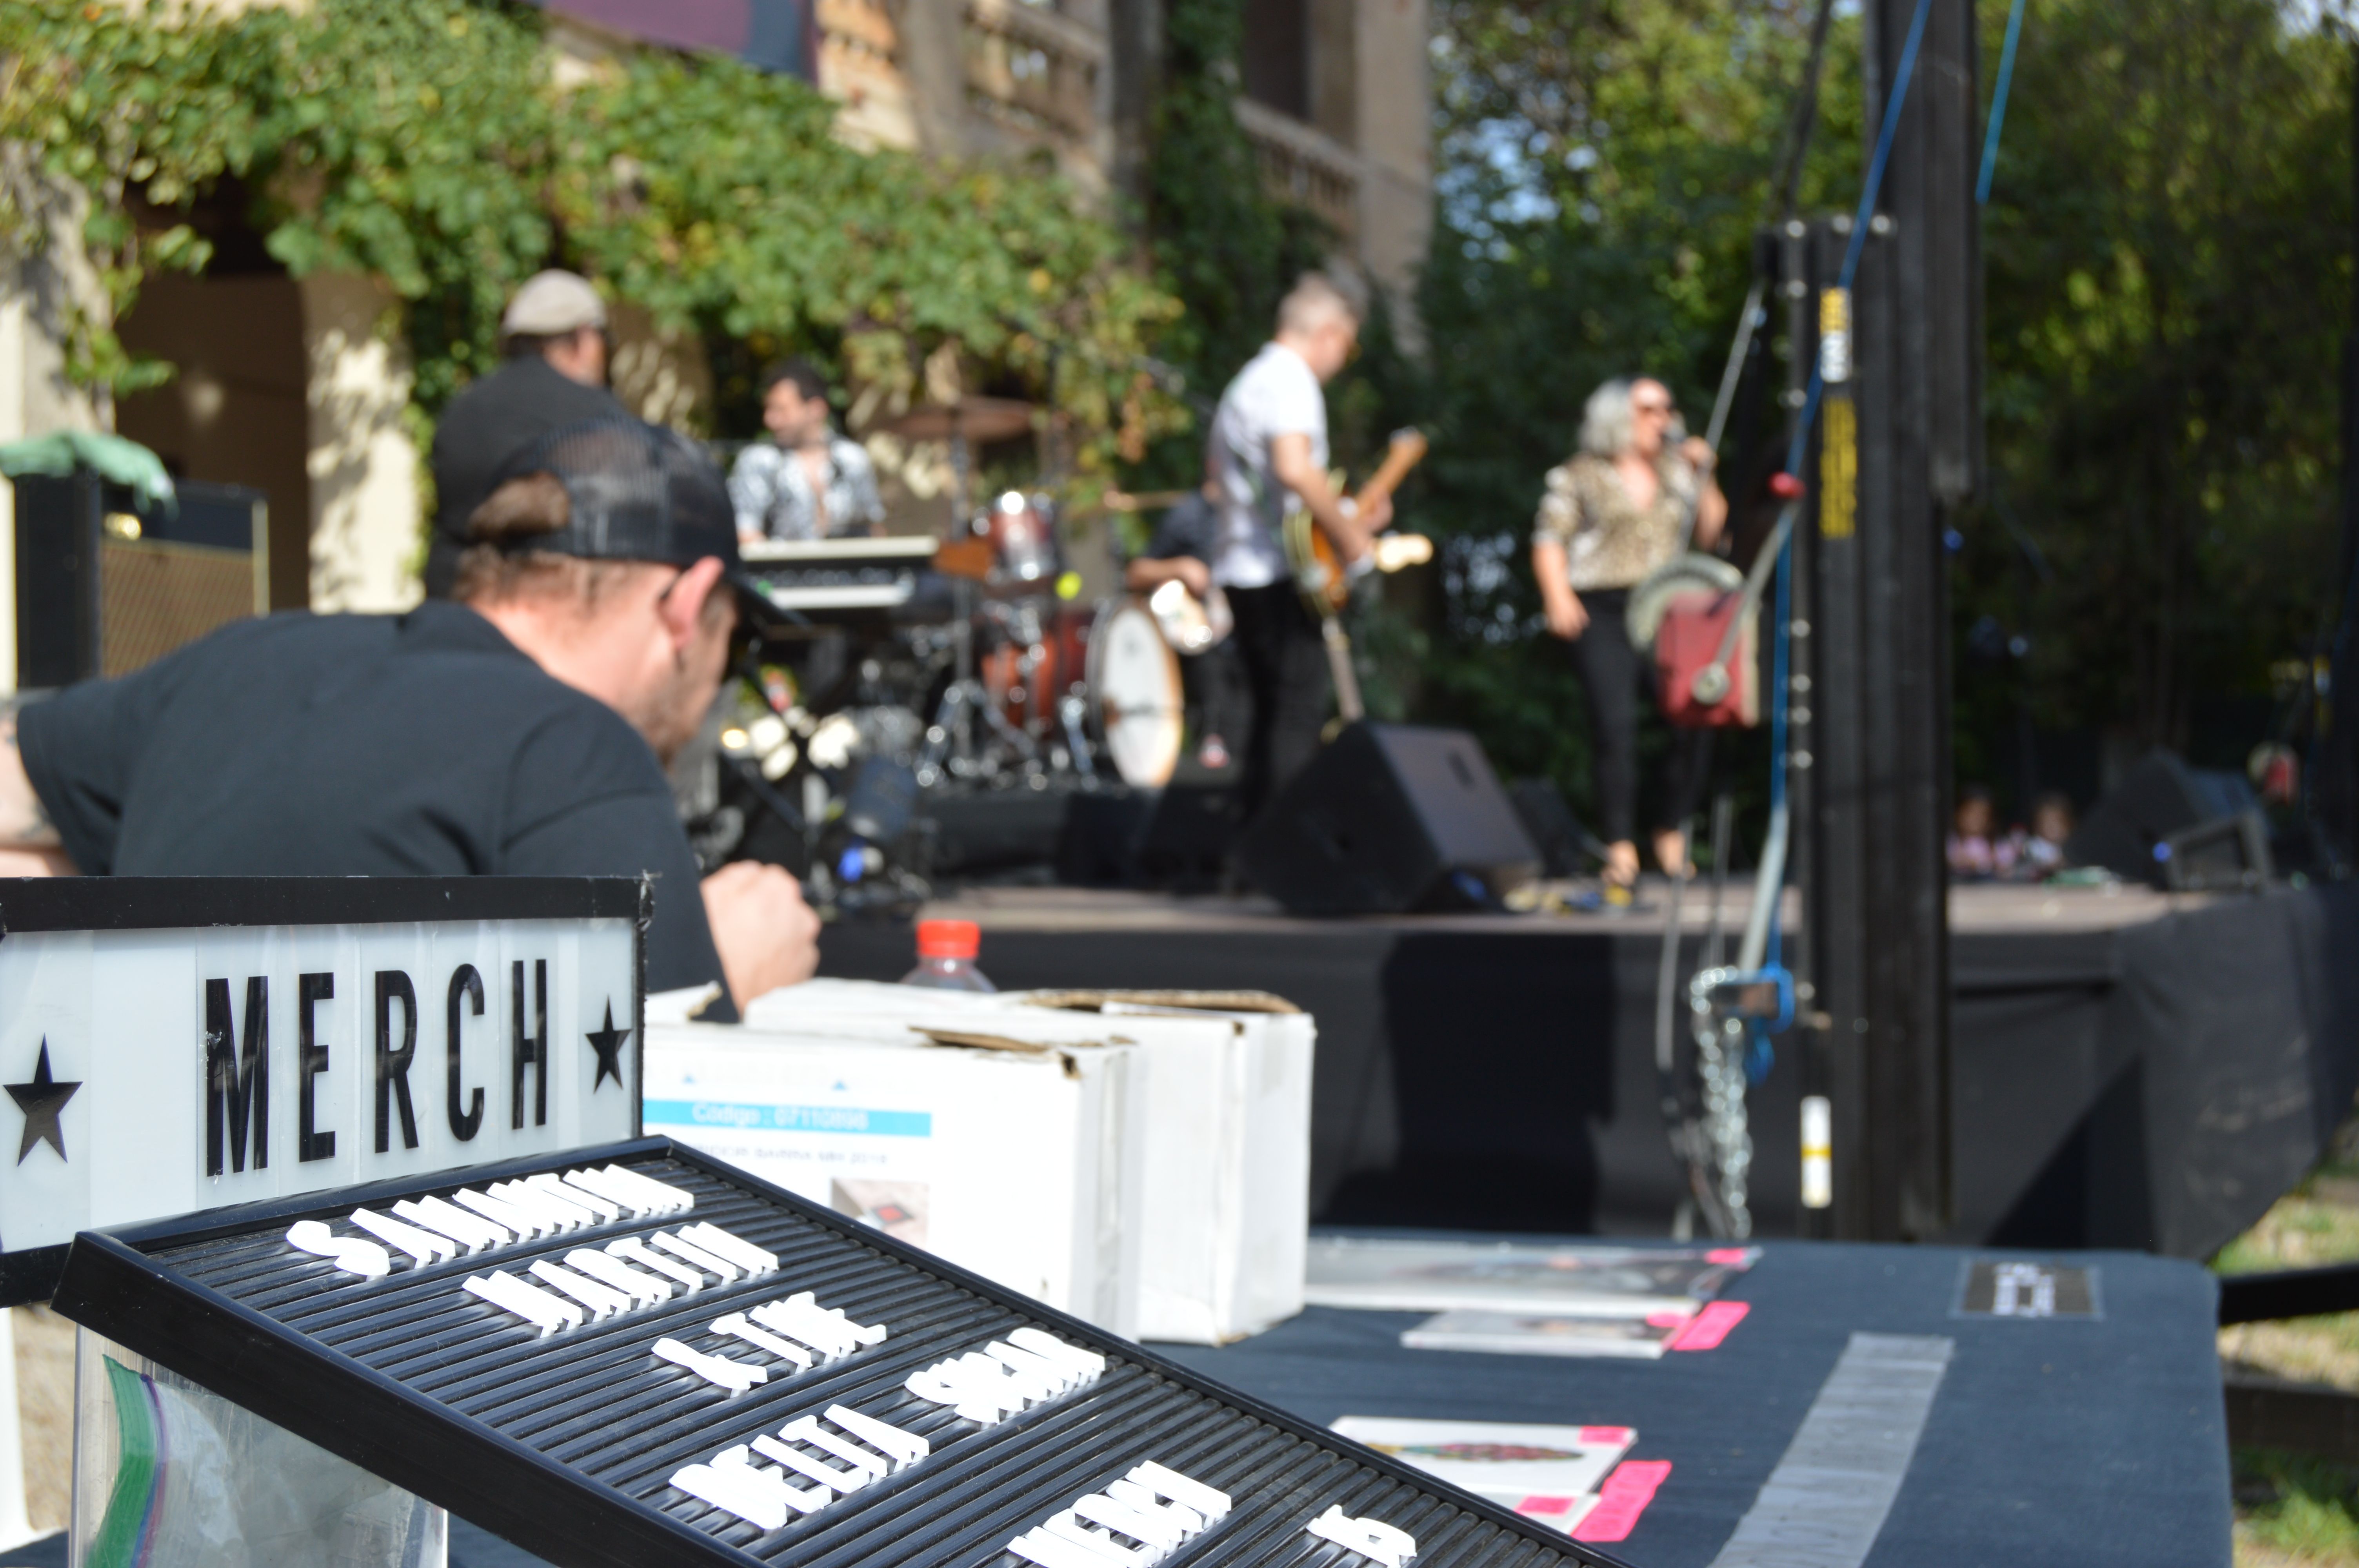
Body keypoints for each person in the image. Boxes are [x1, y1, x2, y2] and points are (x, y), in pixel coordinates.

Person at [0, 419, 819, 1015]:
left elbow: (15, 788)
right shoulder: (578, 750)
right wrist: (733, 979)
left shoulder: (245, 654)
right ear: (686, 602)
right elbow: (660, 1119)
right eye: (731, 636)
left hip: (136, 1236)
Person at [1532, 376, 1728, 894]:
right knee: (1613, 726)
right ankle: (1620, 844)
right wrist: (1558, 595)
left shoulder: (1674, 471)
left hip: (1668, 606)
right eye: (1649, 409)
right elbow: (1550, 537)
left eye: (1667, 407)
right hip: (1603, 607)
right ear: (1618, 415)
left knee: (1694, 715)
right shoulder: (1581, 474)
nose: (1662, 418)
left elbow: (1713, 535)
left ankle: (1670, 825)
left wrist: (1705, 475)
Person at [1208, 272, 1389, 813]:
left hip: (1239, 562)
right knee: (1297, 713)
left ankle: (1249, 855)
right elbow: (1295, 469)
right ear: (1329, 333)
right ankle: (1287, 851)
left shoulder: (1246, 382)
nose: (1342, 360)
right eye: (1347, 346)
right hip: (1280, 570)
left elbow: (1218, 481)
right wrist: (1351, 535)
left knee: (1268, 712)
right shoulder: (1292, 381)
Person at [424, 270, 632, 598]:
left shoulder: (461, 409)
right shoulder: (597, 415)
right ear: (584, 338)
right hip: (551, 606)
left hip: (455, 601)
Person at [1125, 484, 1243, 769]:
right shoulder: (1189, 514)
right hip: (1205, 642)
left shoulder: (1251, 510)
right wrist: (1181, 567)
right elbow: (1137, 574)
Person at [729, 358, 885, 543]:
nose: (770, 420)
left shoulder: (851, 458)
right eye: (769, 409)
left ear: (816, 409)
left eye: (781, 410)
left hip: (847, 570)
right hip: (779, 570)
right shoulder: (759, 460)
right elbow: (745, 531)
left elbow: (873, 527)